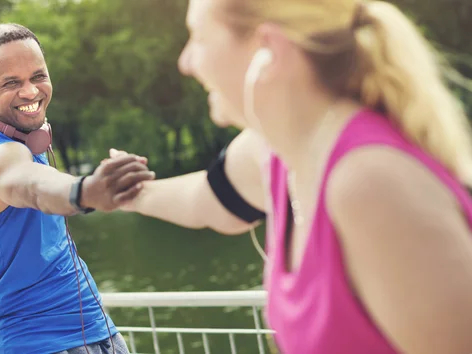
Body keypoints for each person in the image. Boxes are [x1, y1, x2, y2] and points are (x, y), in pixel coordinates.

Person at [114, 1, 472, 353]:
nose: (186, 62)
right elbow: (204, 199)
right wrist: (120, 192)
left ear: (267, 49)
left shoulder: (370, 184)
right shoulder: (278, 155)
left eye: (199, 38)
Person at [0, 23, 152, 354]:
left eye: (38, 76)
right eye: (11, 83)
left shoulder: (27, 143)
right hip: (39, 346)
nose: (31, 92)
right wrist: (87, 190)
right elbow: (28, 184)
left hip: (99, 333)